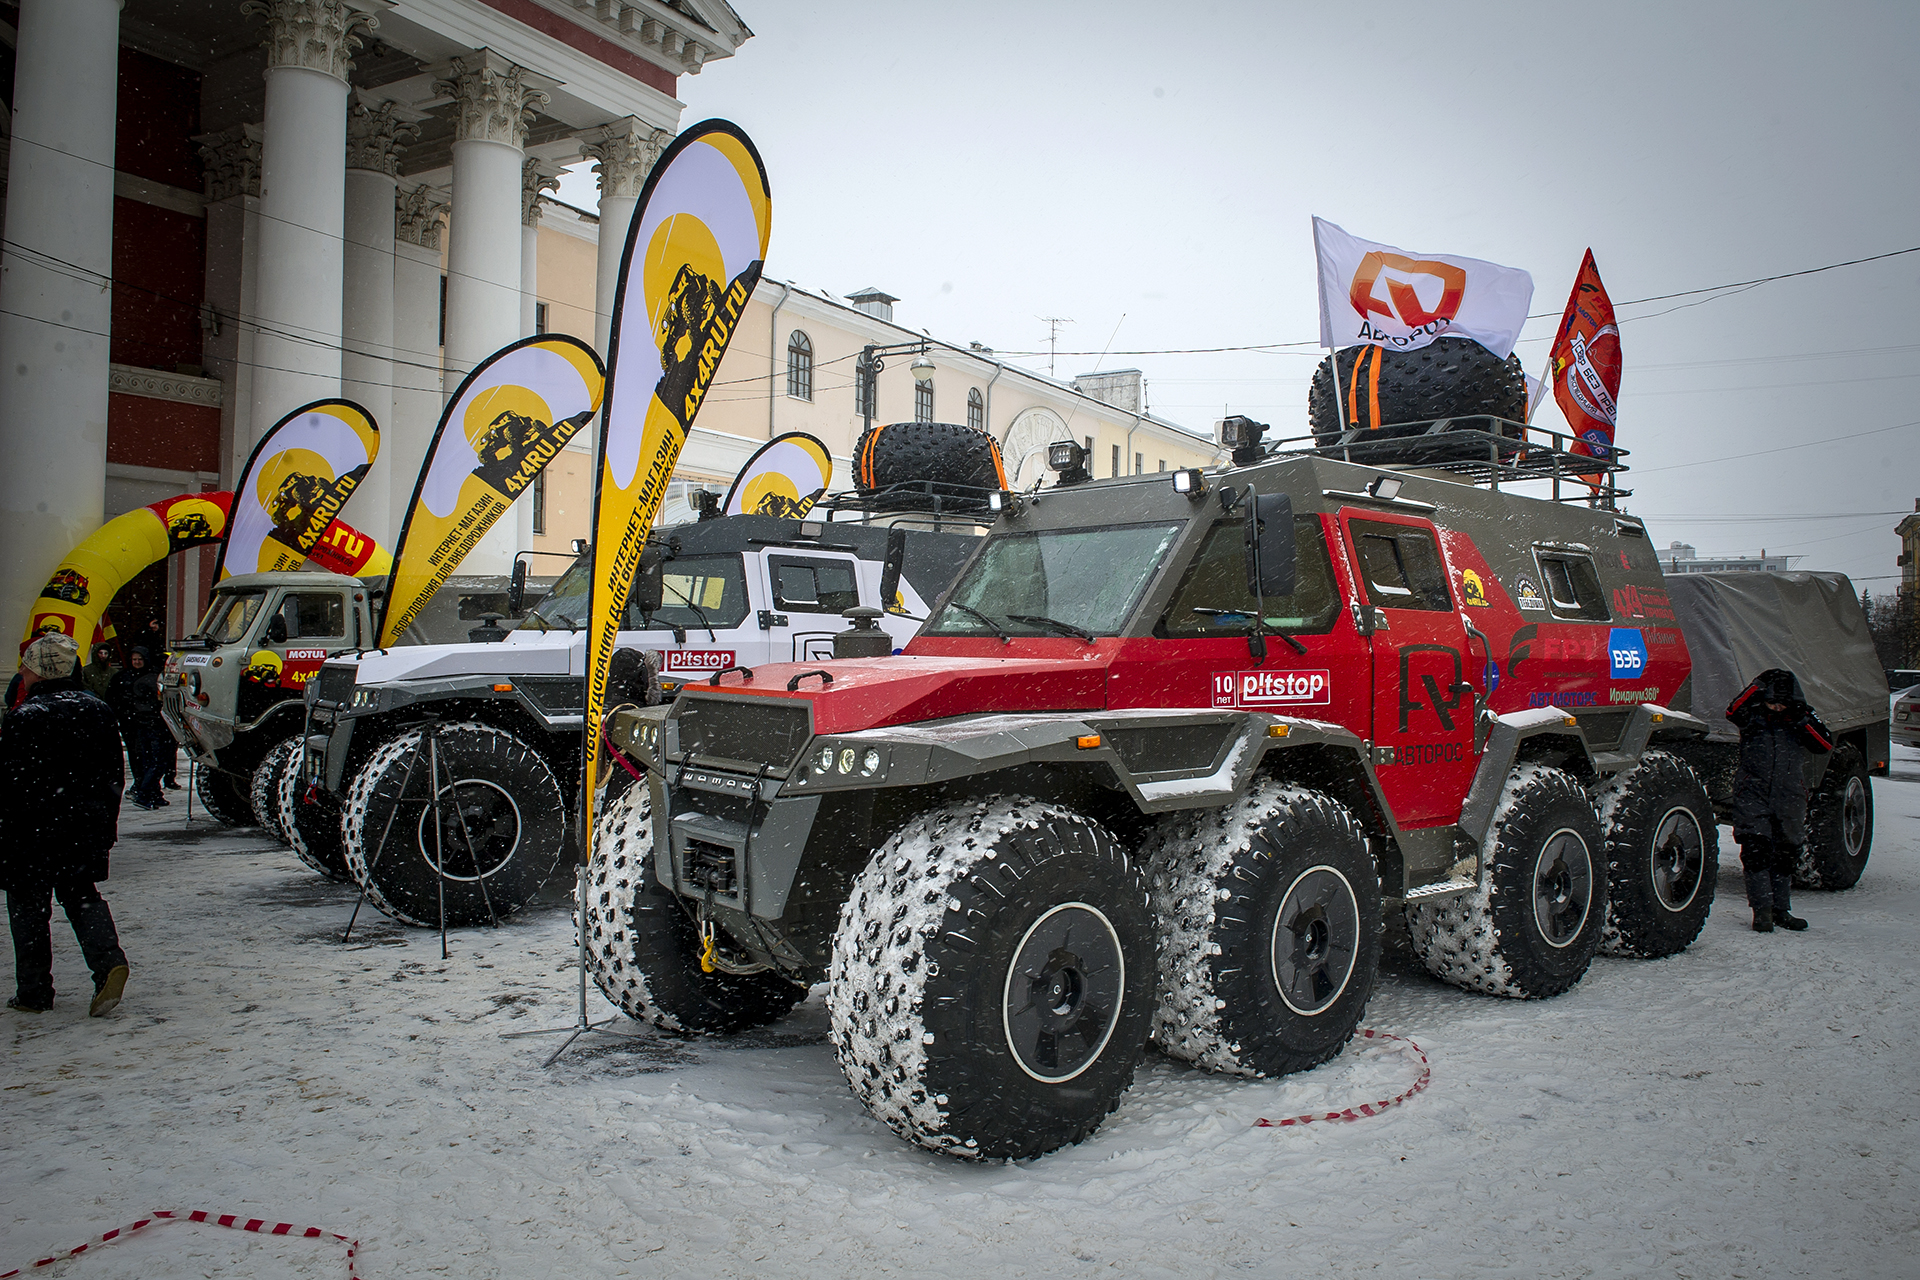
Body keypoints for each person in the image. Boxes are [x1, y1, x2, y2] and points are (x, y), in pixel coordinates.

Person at [2, 633, 131, 1015]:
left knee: (28, 906)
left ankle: (34, 991)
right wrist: (105, 824)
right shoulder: (97, 709)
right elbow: (114, 774)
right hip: (84, 826)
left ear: (40, 671)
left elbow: (10, 783)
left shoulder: (25, 717)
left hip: (31, 829)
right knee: (81, 896)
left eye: (27, 666)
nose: (22, 672)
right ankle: (109, 962)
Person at [1727, 667, 1832, 933]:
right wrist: (1757, 686)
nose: (1775, 708)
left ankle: (1781, 910)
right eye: (1771, 702)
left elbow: (1824, 745)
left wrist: (1801, 719)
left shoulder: (1801, 718)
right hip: (1753, 791)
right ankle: (1761, 910)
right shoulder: (1752, 716)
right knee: (1755, 850)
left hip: (1789, 795)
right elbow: (1732, 711)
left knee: (1786, 852)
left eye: (1780, 703)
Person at [107, 646, 168, 809]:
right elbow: (112, 698)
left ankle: (152, 791)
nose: (137, 662)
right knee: (142, 759)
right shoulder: (122, 677)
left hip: (146, 722)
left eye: (140, 659)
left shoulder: (152, 676)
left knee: (151, 759)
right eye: (134, 659)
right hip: (132, 723)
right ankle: (143, 789)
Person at [144, 620, 180, 790]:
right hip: (158, 721)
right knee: (159, 756)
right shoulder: (153, 678)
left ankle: (168, 778)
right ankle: (154, 785)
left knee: (168, 754)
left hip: (168, 719)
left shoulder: (169, 678)